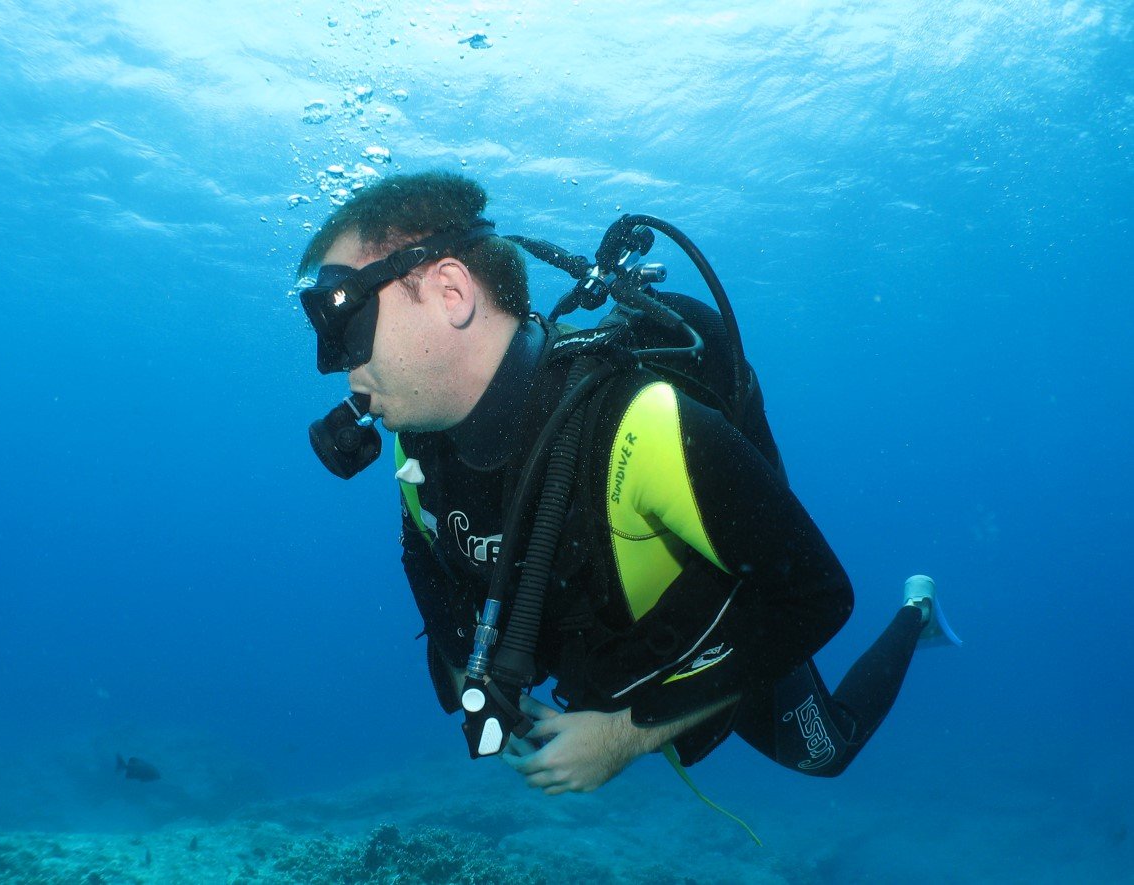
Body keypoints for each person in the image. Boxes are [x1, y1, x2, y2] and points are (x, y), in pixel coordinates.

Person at [296, 171, 958, 795]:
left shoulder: (640, 429)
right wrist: (466, 671)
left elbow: (816, 597)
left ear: (451, 292)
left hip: (708, 645)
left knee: (825, 753)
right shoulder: (420, 444)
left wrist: (627, 734)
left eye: (345, 321)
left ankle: (916, 612)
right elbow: (424, 556)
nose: (335, 365)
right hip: (602, 655)